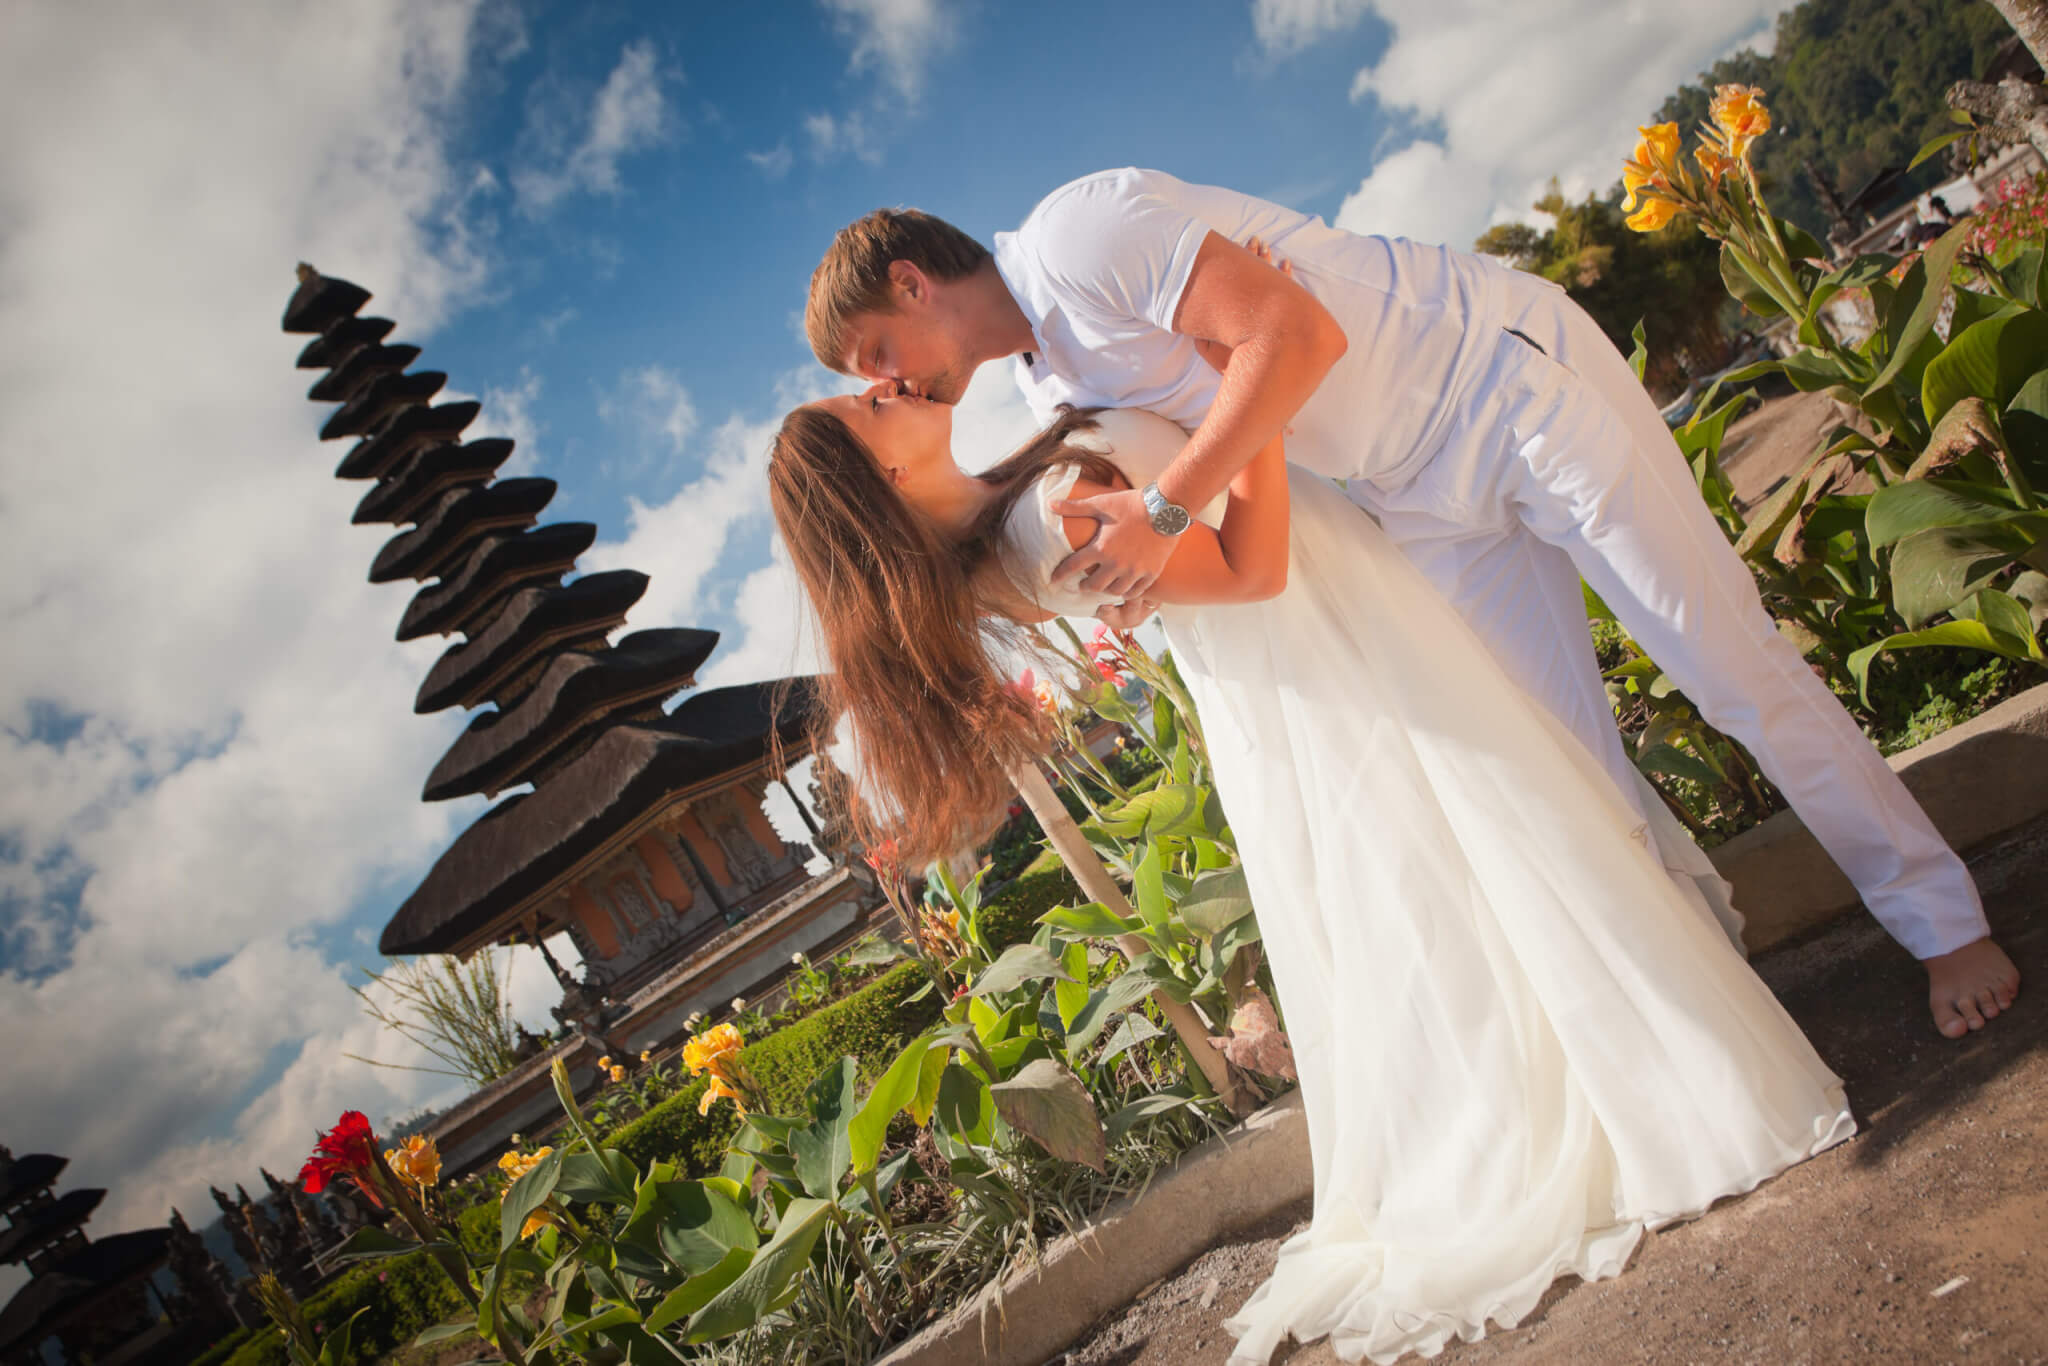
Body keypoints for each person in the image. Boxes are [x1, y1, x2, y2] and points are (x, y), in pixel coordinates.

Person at [764, 362, 1855, 1364]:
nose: (880, 383)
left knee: (1469, 877)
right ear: (881, 473)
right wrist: (1255, 408)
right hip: (1325, 634)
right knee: (1481, 856)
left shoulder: (1013, 507)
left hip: (1321, 646)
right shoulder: (1040, 526)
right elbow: (1248, 567)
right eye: (862, 408)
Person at [802, 167, 2019, 1039]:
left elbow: (1297, 337)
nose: (887, 380)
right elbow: (1243, 438)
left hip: (1500, 384)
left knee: (1725, 665)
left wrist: (1165, 507)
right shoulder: (1042, 377)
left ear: (910, 282)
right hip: (1410, 493)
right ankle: (1714, 1007)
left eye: (867, 355)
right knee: (1564, 767)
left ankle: (1938, 924)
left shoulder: (1080, 233)